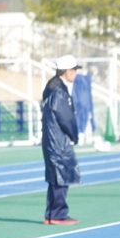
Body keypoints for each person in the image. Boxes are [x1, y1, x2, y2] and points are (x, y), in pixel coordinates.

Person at [41, 54, 81, 225]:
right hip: (57, 140)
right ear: (66, 71)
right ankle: (57, 214)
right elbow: (65, 117)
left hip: (52, 139)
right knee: (60, 177)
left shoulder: (54, 87)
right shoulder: (58, 90)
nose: (75, 74)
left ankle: (53, 214)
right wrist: (74, 134)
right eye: (74, 70)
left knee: (56, 178)